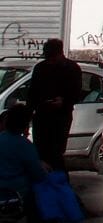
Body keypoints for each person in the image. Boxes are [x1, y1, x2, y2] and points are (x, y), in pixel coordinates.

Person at [26, 40, 82, 174]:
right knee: (41, 151)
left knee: (56, 153)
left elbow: (77, 93)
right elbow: (32, 93)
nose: (49, 61)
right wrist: (28, 115)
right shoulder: (40, 68)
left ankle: (58, 182)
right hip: (42, 115)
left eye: (51, 57)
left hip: (60, 117)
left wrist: (64, 101)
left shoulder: (72, 68)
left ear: (59, 54)